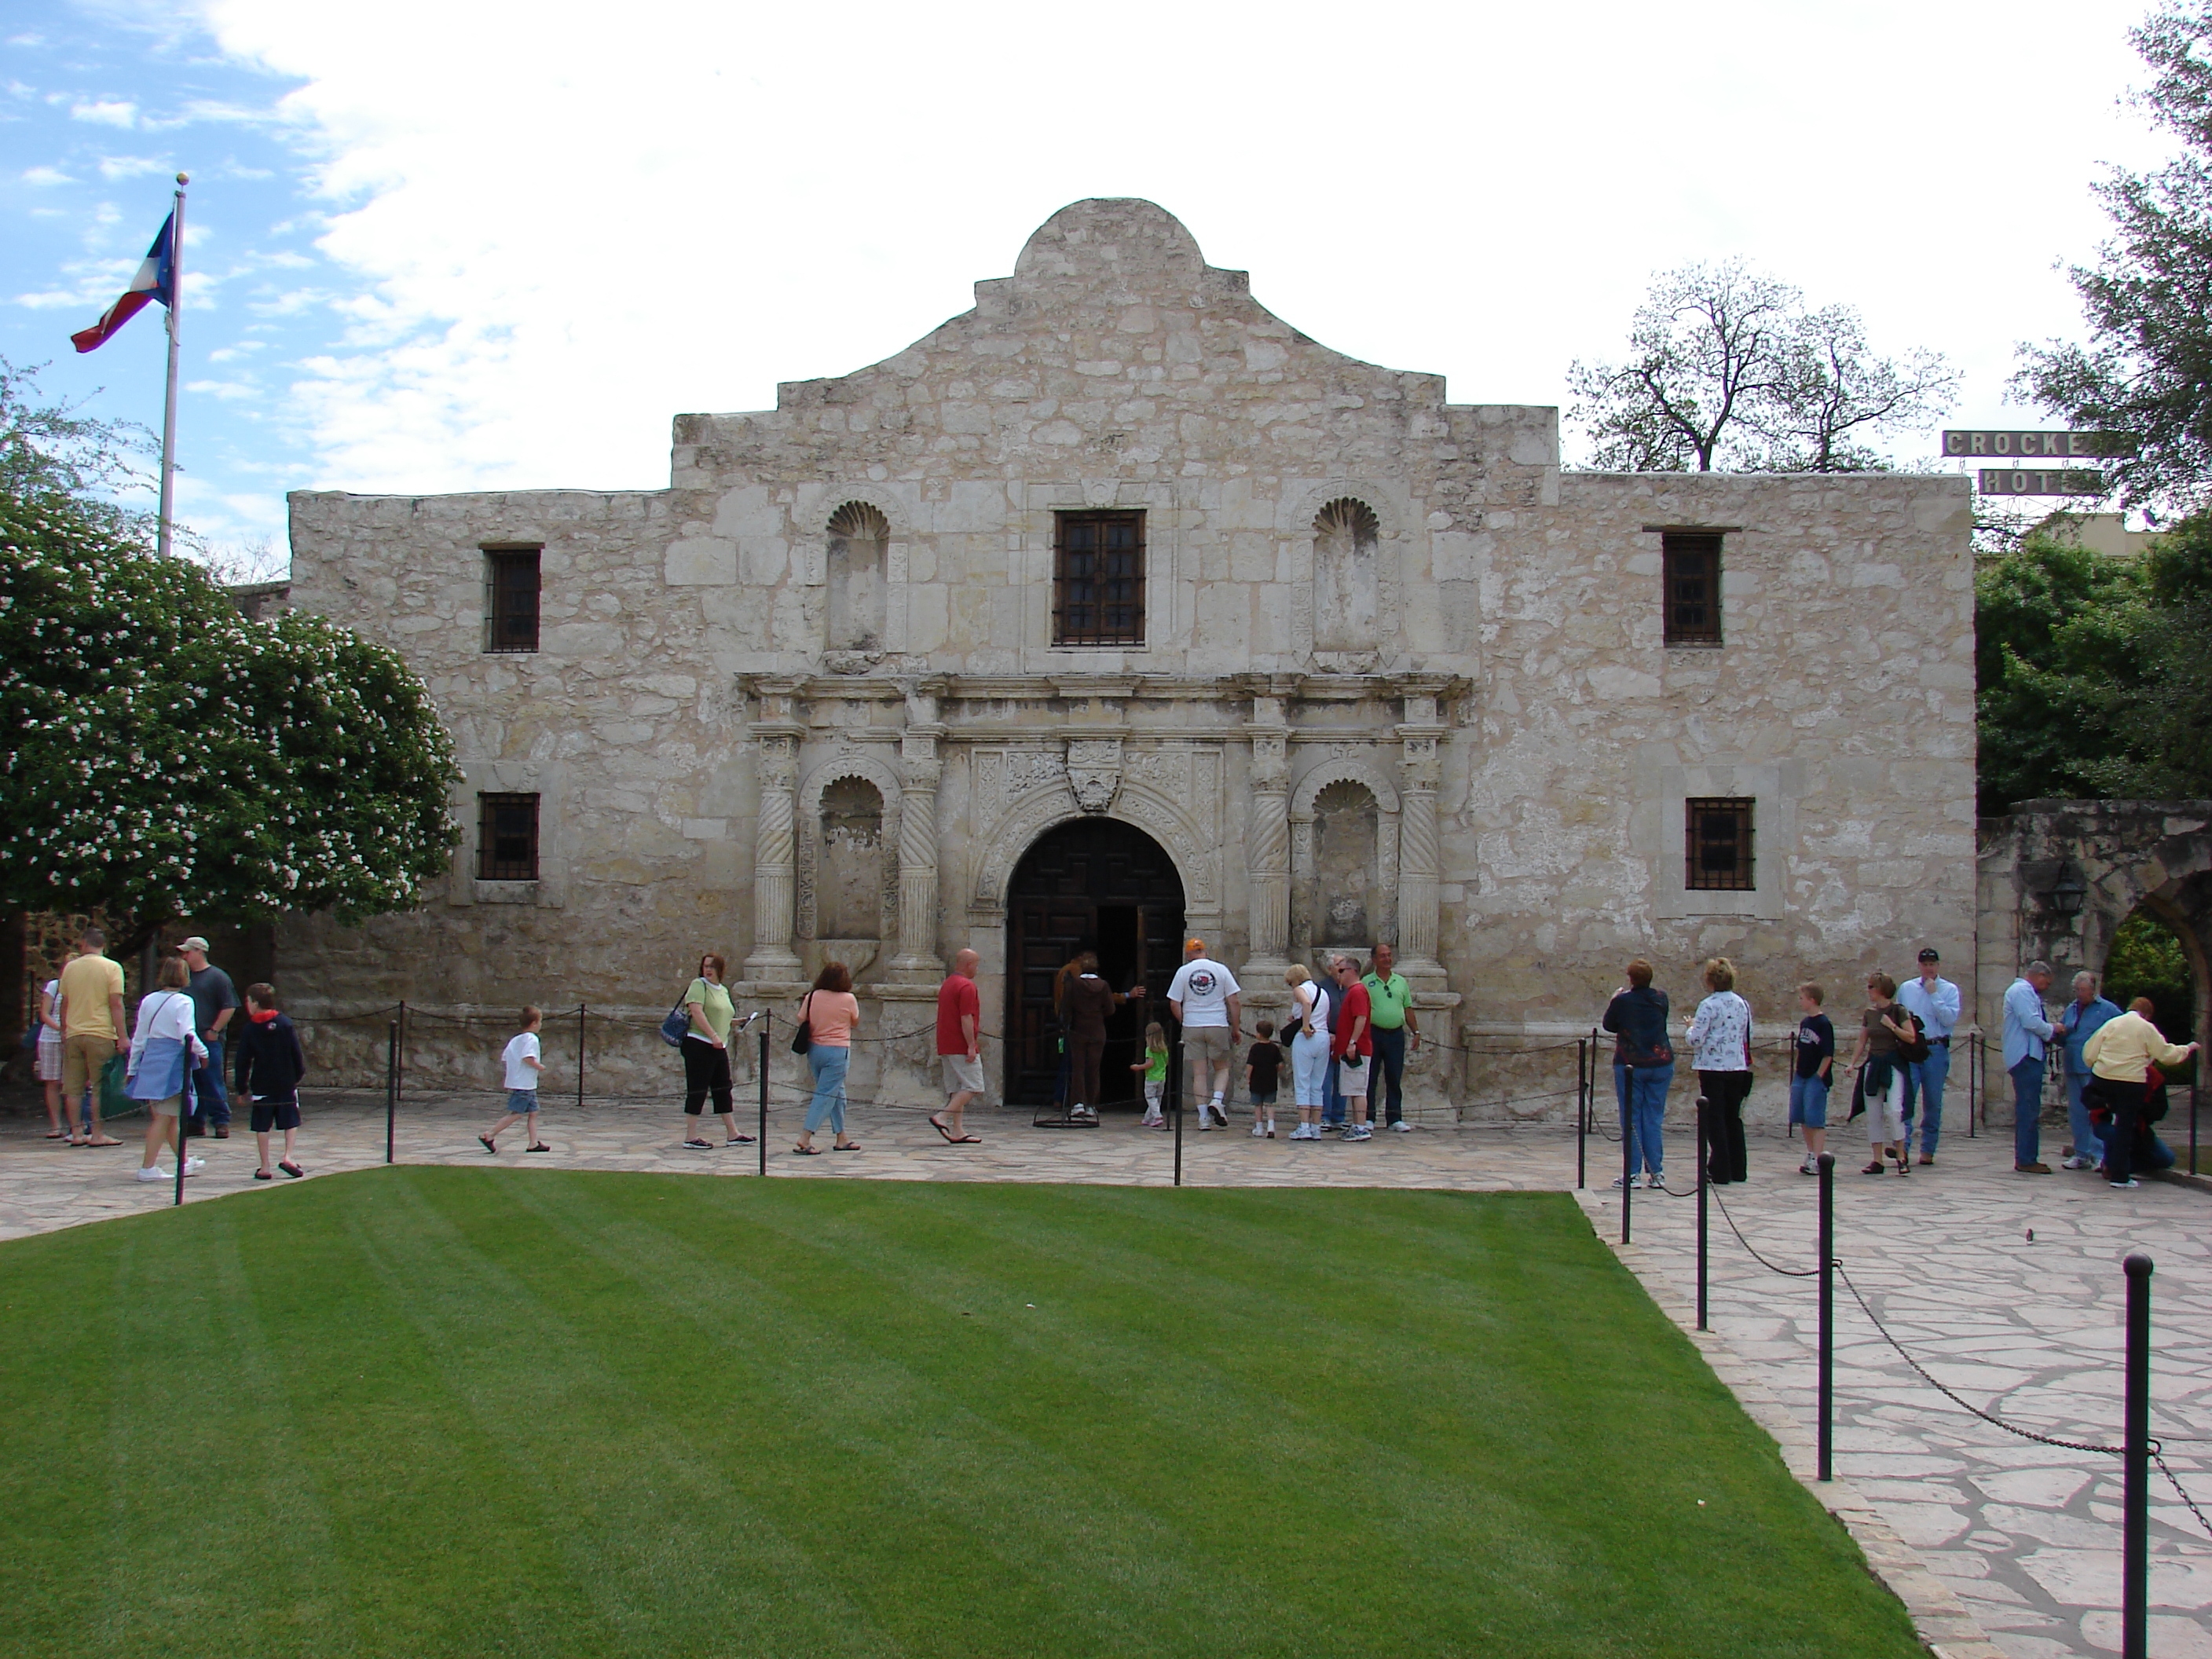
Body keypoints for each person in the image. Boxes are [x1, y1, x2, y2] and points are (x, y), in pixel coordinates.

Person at [2083, 996, 2199, 1190]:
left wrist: (2099, 1066)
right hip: (2130, 1081)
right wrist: (2187, 1049)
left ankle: (2113, 1166)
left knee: (2113, 1121)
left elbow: (2089, 1052)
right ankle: (2120, 1176)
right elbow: (2167, 1054)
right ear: (2146, 1015)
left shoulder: (2112, 1024)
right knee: (2124, 1128)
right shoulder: (2145, 1028)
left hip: (2104, 1077)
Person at [127, 955, 208, 1185]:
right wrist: (204, 1054)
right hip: (171, 1063)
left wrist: (133, 1067)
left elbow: (139, 1037)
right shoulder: (183, 1002)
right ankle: (148, 1167)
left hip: (151, 1060)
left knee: (170, 1118)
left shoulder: (149, 1000)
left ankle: (183, 1162)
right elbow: (187, 1034)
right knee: (164, 1118)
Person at [1601, 958, 1672, 1189]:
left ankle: (1632, 1173)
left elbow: (1610, 1025)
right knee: (1653, 1118)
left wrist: (1613, 1001)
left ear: (1631, 978)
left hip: (1631, 1064)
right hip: (1660, 1062)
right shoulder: (1660, 998)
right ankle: (1656, 1172)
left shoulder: (1624, 1001)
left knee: (1632, 1119)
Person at [57, 925, 127, 1148]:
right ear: (103, 945)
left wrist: (64, 1030)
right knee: (99, 1086)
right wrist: (122, 1035)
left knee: (73, 1086)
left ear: (84, 944)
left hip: (75, 1032)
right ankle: (97, 1132)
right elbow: (116, 1003)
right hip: (101, 1032)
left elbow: (64, 1003)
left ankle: (76, 1132)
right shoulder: (112, 968)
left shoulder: (70, 968)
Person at [1686, 957, 1752, 1185]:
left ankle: (1720, 1169)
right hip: (1736, 1065)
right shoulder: (1741, 1003)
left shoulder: (1709, 1005)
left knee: (1714, 1119)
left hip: (1713, 1067)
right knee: (1732, 1118)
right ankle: (1738, 1168)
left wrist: (1690, 1028)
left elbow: (1696, 1039)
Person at [233, 981, 308, 1179]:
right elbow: (296, 1053)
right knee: (290, 1121)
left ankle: (265, 1165)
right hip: (285, 1081)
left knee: (261, 1124)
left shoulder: (251, 1029)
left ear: (255, 1003)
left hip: (262, 1083)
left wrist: (241, 1087)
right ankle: (288, 1155)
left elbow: (243, 1060)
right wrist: (298, 1075)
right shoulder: (284, 1023)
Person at [679, 953, 753, 1148]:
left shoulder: (723, 990)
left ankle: (733, 1133)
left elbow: (720, 1014)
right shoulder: (698, 985)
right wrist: (712, 1035)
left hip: (719, 1045)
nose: (708, 970)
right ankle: (690, 1136)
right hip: (699, 1042)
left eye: (712, 966)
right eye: (705, 966)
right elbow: (697, 1011)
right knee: (698, 1088)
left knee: (723, 1088)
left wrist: (737, 1022)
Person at [1167, 939, 1241, 1130]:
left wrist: (1185, 1021)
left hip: (1193, 1024)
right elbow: (1233, 1001)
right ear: (1205, 951)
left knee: (1199, 1073)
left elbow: (1174, 1003)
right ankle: (1217, 1101)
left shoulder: (1183, 972)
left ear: (1188, 954)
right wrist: (1235, 1027)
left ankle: (1202, 1119)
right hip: (1217, 1022)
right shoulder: (1221, 969)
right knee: (1222, 1068)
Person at [1896, 947, 1960, 1166]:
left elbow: (1949, 1019)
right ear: (1919, 965)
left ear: (1938, 966)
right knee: (1907, 1098)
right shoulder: (1907, 988)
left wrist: (1934, 995)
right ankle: (1902, 1147)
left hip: (1935, 1047)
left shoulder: (1949, 989)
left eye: (1932, 964)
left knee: (1933, 1101)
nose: (1929, 968)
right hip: (1912, 1047)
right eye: (1925, 965)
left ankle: (1928, 1149)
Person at [1848, 972, 1914, 1176]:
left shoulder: (1898, 1011)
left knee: (1895, 1111)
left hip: (1894, 1063)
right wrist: (1853, 1063)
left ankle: (1901, 1155)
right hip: (1874, 1063)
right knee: (1874, 1113)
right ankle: (1877, 1159)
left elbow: (1911, 1037)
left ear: (1880, 990)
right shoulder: (1869, 1013)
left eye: (1871, 987)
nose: (1868, 991)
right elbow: (1862, 1040)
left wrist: (1892, 1026)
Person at [793, 962, 862, 1155]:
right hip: (838, 1050)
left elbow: (801, 1018)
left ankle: (841, 1136)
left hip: (815, 1050)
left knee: (837, 1093)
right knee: (825, 1094)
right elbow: (855, 1021)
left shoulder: (812, 996)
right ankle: (805, 1137)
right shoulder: (848, 999)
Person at [1063, 951, 1138, 1125]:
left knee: (1078, 1068)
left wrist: (1068, 1023)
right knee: (1093, 1068)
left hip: (1078, 1030)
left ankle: (1077, 1103)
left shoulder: (1074, 984)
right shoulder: (1103, 986)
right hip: (1097, 1030)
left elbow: (1067, 1007)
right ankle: (1091, 1104)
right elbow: (1110, 1009)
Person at [2057, 970, 2122, 1172]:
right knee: (2076, 1111)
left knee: (2096, 1110)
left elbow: (2121, 1032)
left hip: (2094, 1068)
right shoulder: (2071, 1009)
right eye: (2077, 990)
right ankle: (2081, 1153)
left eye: (2083, 990)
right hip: (2072, 1065)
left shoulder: (2107, 1010)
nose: (2080, 994)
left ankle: (2099, 1154)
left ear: (2093, 990)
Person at [177, 936, 239, 1141]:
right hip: (190, 1038)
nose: (184, 956)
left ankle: (221, 1120)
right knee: (194, 1081)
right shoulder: (185, 978)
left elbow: (229, 1006)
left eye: (188, 952)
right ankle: (195, 1120)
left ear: (199, 952)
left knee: (212, 1079)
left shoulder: (217, 977)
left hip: (208, 1036)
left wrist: (214, 1030)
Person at [2002, 961, 2058, 1174]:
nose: (2046, 986)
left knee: (2030, 1107)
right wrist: (2053, 1030)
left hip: (2030, 1055)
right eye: (2046, 981)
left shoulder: (2026, 993)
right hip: (2025, 1056)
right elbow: (2031, 1021)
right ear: (2039, 975)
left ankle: (2028, 1155)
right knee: (2028, 1108)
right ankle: (2026, 1158)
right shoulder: (2021, 991)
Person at [1362, 943, 1422, 1133]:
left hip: (1395, 1034)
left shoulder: (1400, 982)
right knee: (1370, 1076)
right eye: (1382, 956)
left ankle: (1395, 1118)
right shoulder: (1366, 982)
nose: (1387, 959)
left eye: (1389, 955)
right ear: (1374, 960)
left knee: (1394, 1076)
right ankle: (1368, 1116)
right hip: (1374, 1033)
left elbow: (1408, 1008)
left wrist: (1416, 1031)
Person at [930, 948, 984, 1144]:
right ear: (969, 965)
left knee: (956, 1088)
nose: (977, 969)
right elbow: (966, 1018)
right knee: (974, 1085)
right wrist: (971, 1045)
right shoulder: (966, 986)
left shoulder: (948, 984)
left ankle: (958, 1130)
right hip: (960, 1044)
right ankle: (942, 1117)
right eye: (976, 965)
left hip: (946, 1042)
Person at [480, 1005, 551, 1155]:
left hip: (524, 1083)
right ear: (534, 1023)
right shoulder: (532, 1039)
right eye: (540, 1022)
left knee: (534, 1112)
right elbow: (528, 1057)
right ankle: (490, 1134)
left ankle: (533, 1143)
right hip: (524, 1084)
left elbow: (506, 1058)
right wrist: (539, 1066)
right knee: (517, 1113)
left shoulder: (515, 1040)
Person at [1284, 963, 1331, 1141]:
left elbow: (1306, 1002)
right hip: (1323, 1036)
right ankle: (1316, 1126)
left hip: (1306, 1038)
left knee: (1302, 1081)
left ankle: (1304, 1126)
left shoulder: (1300, 990)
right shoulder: (1323, 992)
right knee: (1317, 1084)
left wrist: (1304, 1025)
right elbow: (1325, 1015)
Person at [1330, 955, 1375, 1141]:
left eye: (1341, 970)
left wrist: (1352, 1042)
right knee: (1353, 1089)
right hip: (1350, 1049)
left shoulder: (1357, 992)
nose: (1338, 974)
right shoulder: (1353, 992)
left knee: (1358, 1089)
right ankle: (1357, 1124)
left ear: (1352, 971)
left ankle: (1360, 1126)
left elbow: (1361, 1017)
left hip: (1357, 1049)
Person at [1789, 983, 1833, 1175]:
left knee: (1815, 1118)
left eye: (1802, 998)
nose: (1800, 1002)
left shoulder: (1824, 1024)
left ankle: (1818, 1156)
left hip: (1815, 1077)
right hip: (1802, 1074)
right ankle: (1810, 1153)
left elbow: (1828, 1054)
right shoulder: (1805, 1023)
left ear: (1812, 1000)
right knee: (1802, 1117)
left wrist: (1819, 1076)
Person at [36, 951, 68, 1139]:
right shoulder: (54, 986)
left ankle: (75, 1125)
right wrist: (60, 1028)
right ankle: (56, 1125)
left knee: (71, 1082)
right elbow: (45, 1014)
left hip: (71, 1037)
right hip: (51, 1037)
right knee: (52, 1081)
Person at [1243, 1020, 1283, 1139]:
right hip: (1270, 1080)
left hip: (1257, 1080)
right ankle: (1271, 1127)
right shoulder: (1274, 1048)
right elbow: (1280, 1064)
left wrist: (1248, 1077)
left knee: (1258, 1105)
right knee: (1270, 1104)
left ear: (1258, 1034)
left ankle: (1259, 1127)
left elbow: (1250, 1065)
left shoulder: (1255, 1048)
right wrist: (1275, 1071)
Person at [1134, 1021, 1171, 1129]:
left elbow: (1150, 1063)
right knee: (1156, 1100)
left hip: (1151, 1078)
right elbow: (1166, 1062)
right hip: (1162, 1078)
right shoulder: (1164, 1049)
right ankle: (1148, 1118)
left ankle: (1157, 1116)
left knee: (1150, 1098)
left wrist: (1138, 1067)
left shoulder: (1149, 1050)